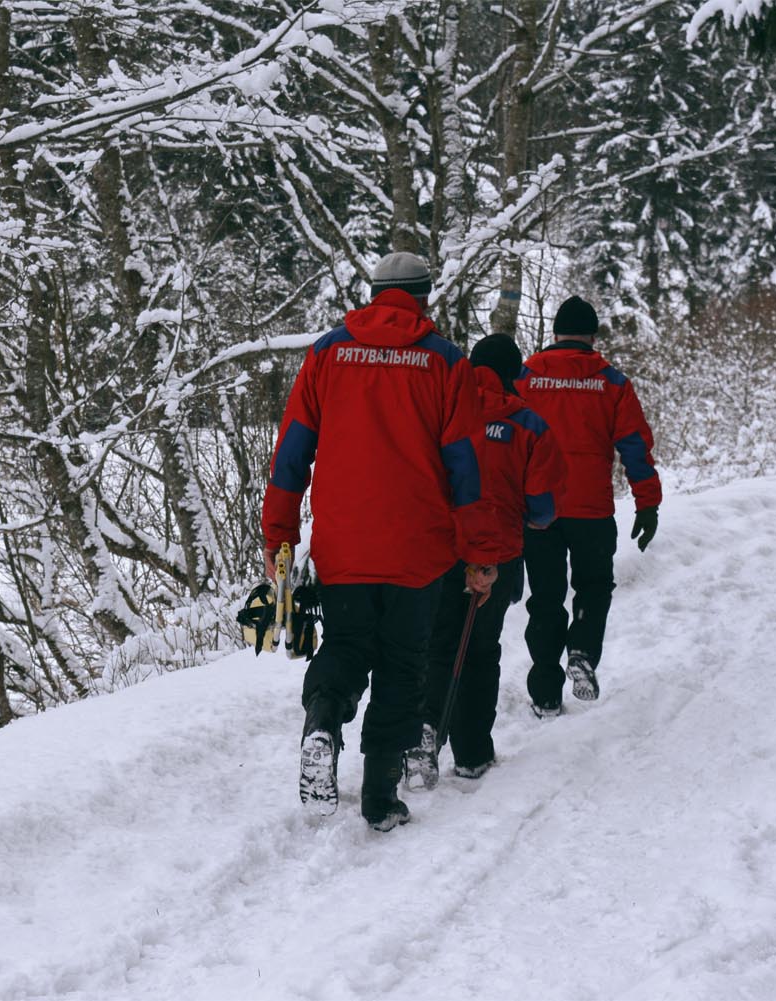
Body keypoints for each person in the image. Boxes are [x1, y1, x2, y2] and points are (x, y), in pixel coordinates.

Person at [261, 251, 500, 831]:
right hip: (418, 552)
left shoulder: (326, 353)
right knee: (402, 665)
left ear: (373, 295)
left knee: (346, 646)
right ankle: (379, 796)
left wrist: (279, 535)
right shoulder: (446, 362)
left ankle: (322, 721)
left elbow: (291, 451)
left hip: (344, 544)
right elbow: (466, 468)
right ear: (423, 298)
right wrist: (480, 554)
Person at [410, 333, 566, 784]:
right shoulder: (529, 424)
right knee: (479, 650)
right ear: (514, 374)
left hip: (439, 549)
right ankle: (472, 754)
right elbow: (542, 506)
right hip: (498, 552)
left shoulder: (439, 412)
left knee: (436, 646)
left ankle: (423, 730)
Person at [515, 295, 661, 716]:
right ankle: (581, 651)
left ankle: (545, 690)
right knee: (593, 588)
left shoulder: (526, 378)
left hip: (539, 511)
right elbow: (635, 447)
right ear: (592, 338)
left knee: (544, 596)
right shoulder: (611, 382)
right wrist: (647, 503)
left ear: (556, 335)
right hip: (592, 510)